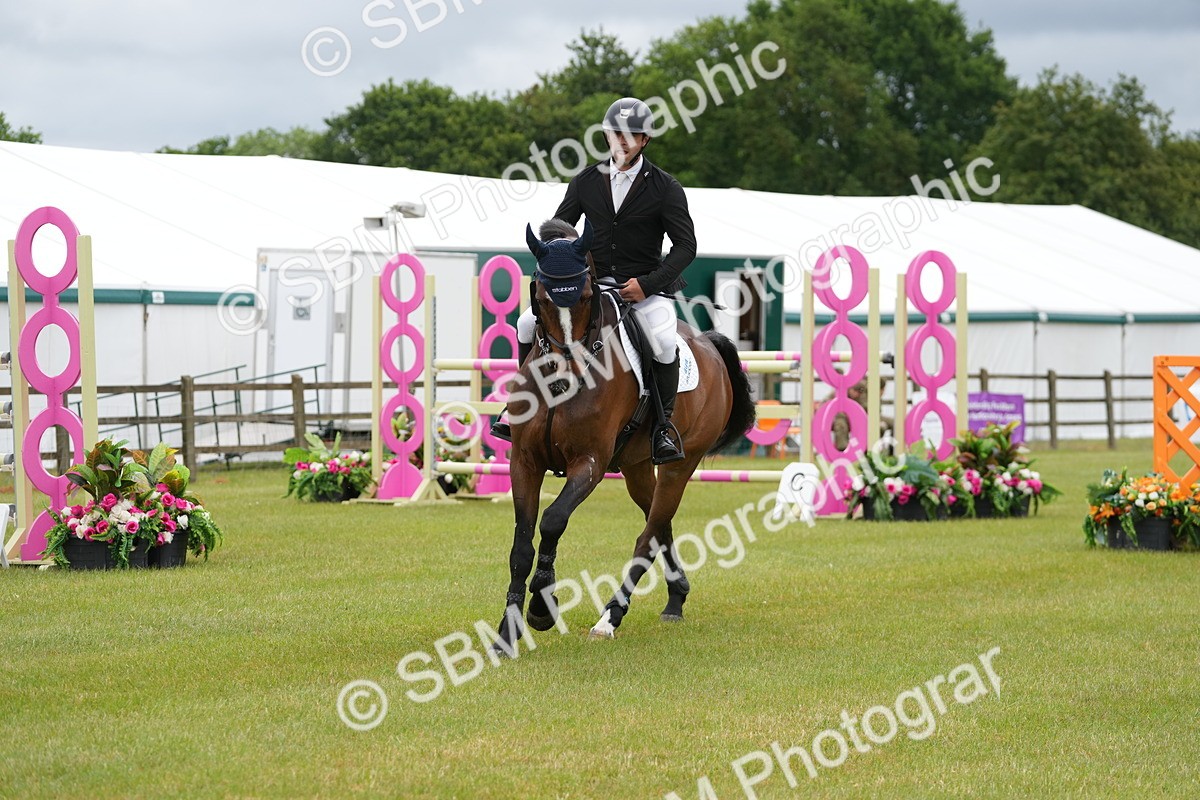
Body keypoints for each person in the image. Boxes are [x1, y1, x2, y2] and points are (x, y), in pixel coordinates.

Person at [492, 97, 698, 464]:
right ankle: (522, 404)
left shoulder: (665, 187)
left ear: (644, 140)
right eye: (615, 134)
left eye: (630, 136)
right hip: (590, 289)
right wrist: (560, 267)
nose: (621, 141)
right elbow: (557, 232)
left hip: (642, 289)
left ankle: (663, 427)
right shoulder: (586, 181)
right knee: (525, 323)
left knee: (665, 341)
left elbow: (686, 246)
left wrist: (648, 284)